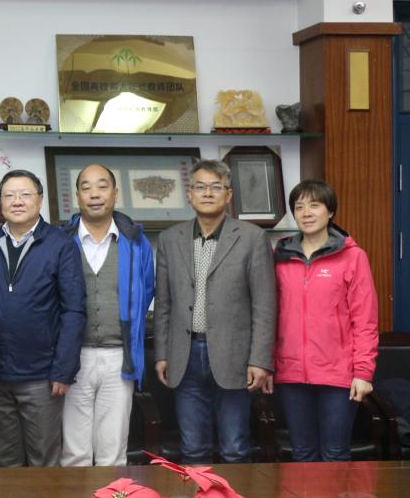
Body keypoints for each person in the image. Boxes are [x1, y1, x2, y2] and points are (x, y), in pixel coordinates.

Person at [153, 159, 276, 464]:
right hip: (185, 355)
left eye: (215, 187)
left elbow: (264, 304)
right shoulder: (170, 239)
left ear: (229, 194)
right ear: (189, 194)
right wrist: (162, 354)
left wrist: (260, 360)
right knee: (192, 449)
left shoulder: (252, 238)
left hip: (234, 356)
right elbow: (164, 302)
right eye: (200, 187)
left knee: (235, 448)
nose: (207, 193)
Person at [0, 169, 86, 467]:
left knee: (44, 463)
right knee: (3, 461)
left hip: (42, 376)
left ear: (39, 200)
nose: (17, 201)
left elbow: (74, 310)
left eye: (25, 195)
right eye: (9, 195)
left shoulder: (60, 244)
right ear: (0, 202)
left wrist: (63, 369)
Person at [266, 179, 379, 461]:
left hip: (338, 374)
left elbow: (365, 321)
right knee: (302, 453)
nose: (306, 213)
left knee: (335, 454)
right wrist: (267, 364)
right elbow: (268, 315)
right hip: (291, 372)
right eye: (299, 207)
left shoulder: (353, 257)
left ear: (330, 212)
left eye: (314, 205)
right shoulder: (280, 257)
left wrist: (363, 372)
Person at [60, 164, 154, 466]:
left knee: (113, 454)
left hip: (119, 358)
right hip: (72, 358)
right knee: (74, 453)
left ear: (115, 193)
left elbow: (147, 289)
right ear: (77, 196)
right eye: (86, 188)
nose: (94, 194)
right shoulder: (61, 240)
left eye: (102, 186)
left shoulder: (136, 242)